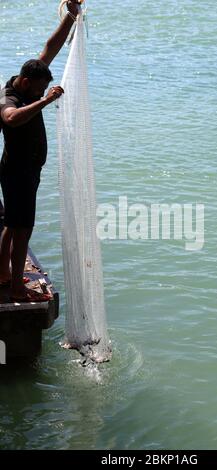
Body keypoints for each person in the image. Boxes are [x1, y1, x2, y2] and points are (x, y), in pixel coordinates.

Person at [0, 0, 81, 302]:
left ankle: (3, 273)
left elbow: (50, 47)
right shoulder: (9, 97)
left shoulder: (30, 77)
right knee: (22, 229)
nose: (38, 92)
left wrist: (70, 17)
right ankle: (18, 288)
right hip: (18, 172)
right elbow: (10, 118)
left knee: (11, 224)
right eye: (36, 89)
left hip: (23, 171)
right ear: (25, 82)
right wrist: (45, 101)